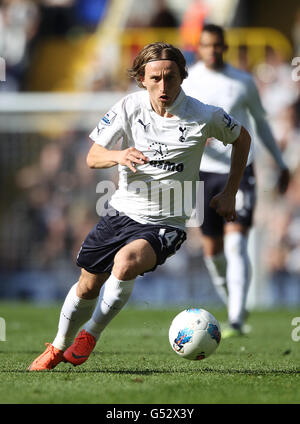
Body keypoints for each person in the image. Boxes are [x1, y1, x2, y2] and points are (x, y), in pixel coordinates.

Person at [28, 41, 251, 371]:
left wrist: (231, 191)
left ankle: (90, 335)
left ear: (181, 77)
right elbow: (92, 157)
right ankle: (59, 345)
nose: (164, 86)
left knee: (126, 261)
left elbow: (242, 138)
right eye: (156, 78)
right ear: (142, 79)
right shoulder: (128, 107)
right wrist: (119, 154)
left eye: (171, 77)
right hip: (120, 213)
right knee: (87, 285)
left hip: (167, 223)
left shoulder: (204, 115)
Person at [182, 24, 290, 337]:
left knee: (236, 242)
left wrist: (281, 163)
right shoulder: (189, 81)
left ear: (224, 47)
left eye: (218, 45)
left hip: (240, 170)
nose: (212, 50)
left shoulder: (242, 82)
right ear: (199, 48)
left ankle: (237, 319)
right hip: (202, 174)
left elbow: (261, 124)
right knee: (212, 252)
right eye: (206, 45)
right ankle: (234, 305)